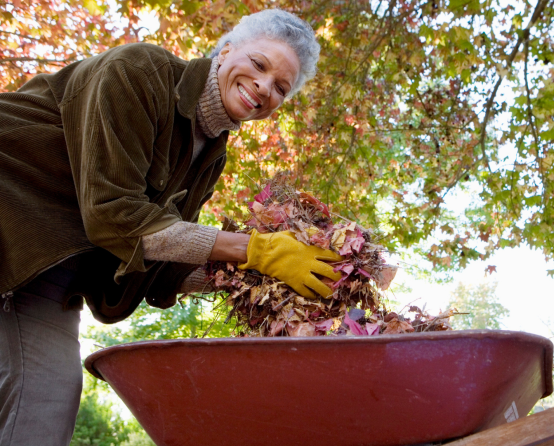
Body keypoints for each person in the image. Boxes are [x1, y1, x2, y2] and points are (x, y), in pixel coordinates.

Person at [0, 9, 340, 445]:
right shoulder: (140, 73)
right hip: (12, 224)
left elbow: (163, 255)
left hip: (50, 267)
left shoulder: (211, 155)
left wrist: (253, 280)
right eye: (259, 64)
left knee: (47, 400)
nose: (264, 86)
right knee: (43, 400)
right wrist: (255, 249)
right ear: (226, 50)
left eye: (281, 87)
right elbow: (114, 215)